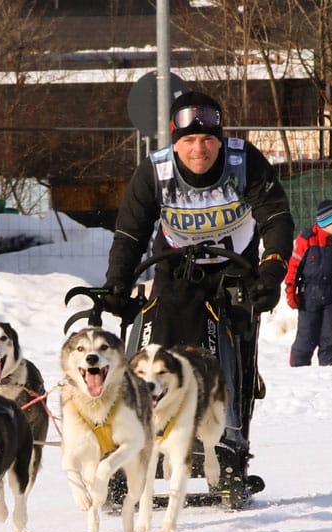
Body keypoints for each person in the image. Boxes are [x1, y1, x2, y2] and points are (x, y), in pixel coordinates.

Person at [101, 90, 294, 503]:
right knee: (157, 332)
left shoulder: (245, 163)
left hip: (233, 266)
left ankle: (230, 451)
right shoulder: (154, 171)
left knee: (236, 343)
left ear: (220, 141)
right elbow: (131, 232)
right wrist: (117, 282)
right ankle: (133, 441)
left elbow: (275, 216)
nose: (198, 148)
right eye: (188, 141)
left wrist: (272, 269)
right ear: (175, 142)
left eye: (207, 140)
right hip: (175, 263)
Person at [285, 199, 332, 366]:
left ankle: (330, 369)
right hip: (309, 295)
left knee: (331, 336)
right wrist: (290, 291)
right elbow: (294, 268)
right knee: (307, 334)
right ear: (325, 222)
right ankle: (298, 367)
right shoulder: (307, 240)